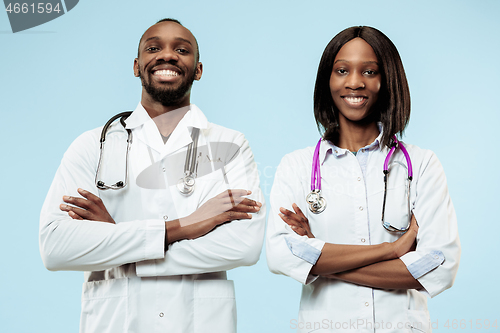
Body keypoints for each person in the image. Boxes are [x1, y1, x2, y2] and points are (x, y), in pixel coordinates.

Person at [40, 18, 265, 333]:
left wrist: (118, 241)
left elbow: (244, 245)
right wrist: (185, 226)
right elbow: (56, 247)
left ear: (198, 69)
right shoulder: (93, 146)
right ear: (137, 65)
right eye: (154, 48)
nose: (168, 55)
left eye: (182, 49)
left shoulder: (230, 145)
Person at [266, 26, 460, 333]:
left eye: (369, 71)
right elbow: (281, 254)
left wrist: (320, 258)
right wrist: (393, 251)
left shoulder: (422, 165)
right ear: (327, 81)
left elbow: (438, 265)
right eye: (341, 70)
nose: (355, 82)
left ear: (388, 80)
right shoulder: (297, 166)